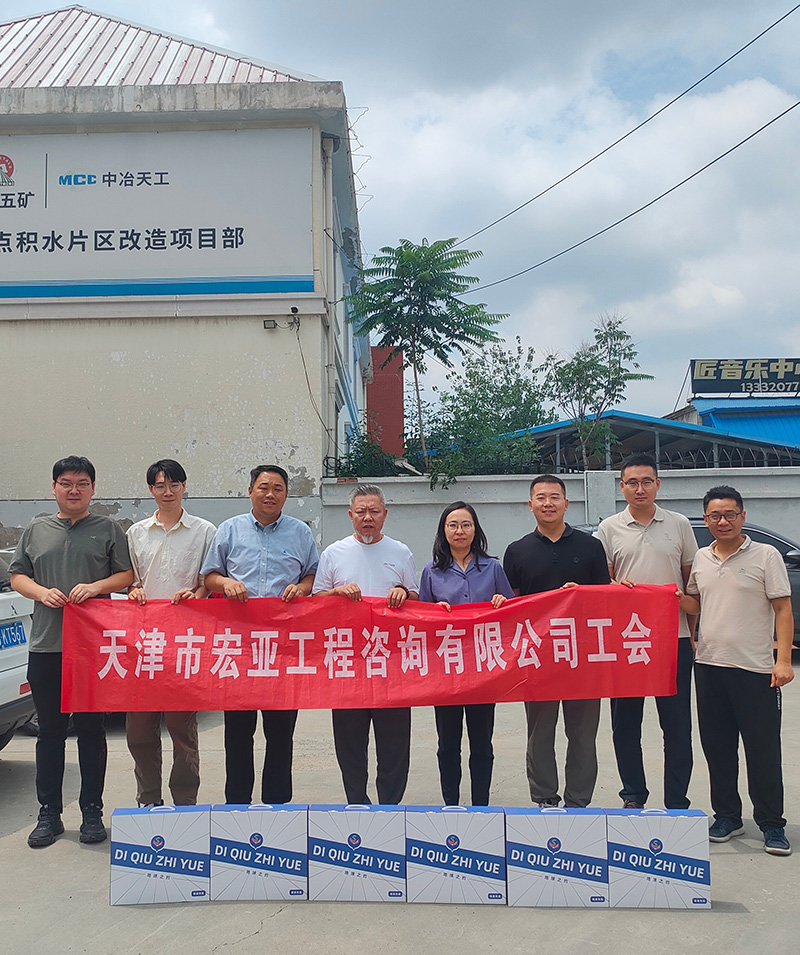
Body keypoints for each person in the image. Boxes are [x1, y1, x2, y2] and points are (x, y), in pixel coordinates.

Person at [10, 455, 133, 848]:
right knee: (49, 732)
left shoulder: (108, 528)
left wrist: (96, 587)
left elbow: (127, 574)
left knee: (92, 731)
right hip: (47, 646)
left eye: (82, 483)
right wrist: (40, 592)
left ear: (93, 489)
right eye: (66, 483)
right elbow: (18, 575)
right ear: (54, 488)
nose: (74, 490)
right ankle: (49, 813)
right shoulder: (37, 529)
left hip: (94, 649)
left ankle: (92, 811)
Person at [679, 485, 794, 856]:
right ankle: (727, 816)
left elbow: (782, 609)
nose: (723, 521)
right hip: (710, 666)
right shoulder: (702, 557)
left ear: (743, 516)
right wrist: (666, 595)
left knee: (762, 750)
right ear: (706, 519)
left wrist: (781, 661)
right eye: (715, 515)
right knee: (718, 748)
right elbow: (695, 603)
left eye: (730, 514)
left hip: (755, 669)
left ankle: (772, 824)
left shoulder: (766, 555)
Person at [200, 465, 318, 805]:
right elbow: (209, 576)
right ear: (250, 491)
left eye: (278, 488)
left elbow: (313, 575)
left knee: (281, 733)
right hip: (238, 648)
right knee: (238, 732)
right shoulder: (230, 530)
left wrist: (301, 588)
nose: (270, 494)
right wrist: (226, 583)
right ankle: (237, 805)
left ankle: (277, 806)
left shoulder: (300, 532)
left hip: (283, 648)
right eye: (264, 487)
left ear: (286, 494)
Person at [503, 475, 610, 808]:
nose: (547, 503)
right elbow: (511, 606)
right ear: (530, 505)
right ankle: (545, 798)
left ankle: (578, 801)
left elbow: (604, 600)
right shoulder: (517, 551)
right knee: (540, 733)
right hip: (537, 657)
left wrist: (581, 595)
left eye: (554, 497)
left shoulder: (590, 547)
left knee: (583, 734)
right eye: (541, 497)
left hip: (583, 655)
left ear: (566, 503)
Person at [597, 452, 697, 809]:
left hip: (673, 639)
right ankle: (633, 795)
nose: (640, 489)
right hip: (626, 641)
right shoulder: (609, 528)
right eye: (632, 482)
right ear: (622, 487)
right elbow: (602, 582)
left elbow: (691, 585)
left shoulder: (679, 524)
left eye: (646, 482)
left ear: (658, 484)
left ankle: (677, 801)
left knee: (677, 725)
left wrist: (693, 634)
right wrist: (616, 585)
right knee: (625, 724)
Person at [313, 483, 418, 804]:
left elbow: (416, 598)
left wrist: (404, 592)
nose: (367, 517)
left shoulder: (400, 552)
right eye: (361, 512)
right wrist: (336, 593)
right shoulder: (334, 553)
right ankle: (357, 803)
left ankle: (390, 805)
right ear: (350, 515)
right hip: (348, 662)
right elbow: (316, 601)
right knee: (349, 743)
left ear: (385, 514)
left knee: (394, 744)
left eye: (374, 511)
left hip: (391, 664)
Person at [125, 459, 216, 807]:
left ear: (184, 486)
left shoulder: (204, 530)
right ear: (151, 490)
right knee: (139, 731)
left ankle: (185, 802)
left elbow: (208, 579)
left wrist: (198, 595)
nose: (168, 492)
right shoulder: (136, 533)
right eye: (161, 485)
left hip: (185, 643)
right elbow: (131, 579)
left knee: (182, 730)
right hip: (143, 644)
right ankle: (148, 800)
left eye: (174, 484)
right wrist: (134, 590)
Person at [418, 501, 513, 806]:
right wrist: (434, 611)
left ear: (475, 530)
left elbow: (512, 614)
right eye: (453, 525)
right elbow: (420, 619)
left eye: (466, 524)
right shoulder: (431, 571)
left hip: (484, 668)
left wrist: (502, 602)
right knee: (448, 744)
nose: (459, 531)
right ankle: (451, 804)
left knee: (482, 743)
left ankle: (480, 805)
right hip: (446, 669)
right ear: (443, 531)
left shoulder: (493, 568)